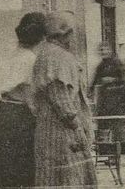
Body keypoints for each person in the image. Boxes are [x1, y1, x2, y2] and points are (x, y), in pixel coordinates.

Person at [32, 12, 97, 187]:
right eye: (72, 32)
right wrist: (78, 128)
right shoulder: (56, 56)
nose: (74, 37)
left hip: (59, 128)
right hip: (61, 131)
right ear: (63, 34)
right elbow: (61, 99)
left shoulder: (49, 53)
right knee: (66, 179)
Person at [0, 11, 46, 188]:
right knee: (22, 171)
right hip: (18, 118)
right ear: (41, 37)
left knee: (0, 171)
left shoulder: (12, 54)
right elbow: (29, 97)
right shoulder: (30, 60)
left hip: (1, 113)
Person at [90, 45, 125, 153]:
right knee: (105, 123)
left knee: (119, 123)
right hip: (106, 99)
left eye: (105, 50)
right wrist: (91, 90)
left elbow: (124, 79)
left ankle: (124, 148)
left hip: (119, 97)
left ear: (110, 51)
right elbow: (95, 79)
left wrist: (112, 80)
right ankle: (106, 148)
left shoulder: (117, 63)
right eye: (101, 50)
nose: (103, 52)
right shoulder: (101, 66)